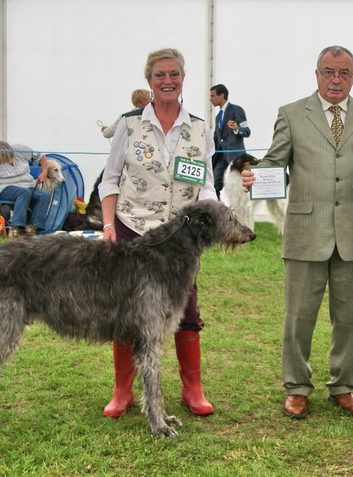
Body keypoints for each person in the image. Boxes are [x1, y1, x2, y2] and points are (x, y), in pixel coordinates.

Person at [242, 45, 353, 419]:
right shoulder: (292, 114)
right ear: (316, 74)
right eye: (329, 71)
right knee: (299, 317)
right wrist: (256, 175)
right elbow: (275, 161)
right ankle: (297, 387)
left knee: (349, 317)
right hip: (304, 230)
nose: (335, 79)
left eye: (343, 73)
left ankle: (344, 386)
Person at [98, 48, 217, 417]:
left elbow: (207, 186)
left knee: (186, 311)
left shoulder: (199, 128)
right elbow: (110, 179)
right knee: (126, 312)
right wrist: (107, 225)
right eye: (160, 75)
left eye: (174, 74)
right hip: (132, 230)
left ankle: (192, 389)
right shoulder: (129, 126)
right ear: (149, 81)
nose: (168, 80)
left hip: (181, 239)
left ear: (183, 78)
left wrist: (211, 218)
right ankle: (123, 391)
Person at [0, 141, 51, 238]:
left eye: (4, 159)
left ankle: (33, 228)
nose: (2, 162)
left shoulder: (20, 149)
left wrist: (44, 172)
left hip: (27, 184)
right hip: (4, 188)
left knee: (44, 196)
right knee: (24, 192)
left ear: (10, 153)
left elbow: (41, 157)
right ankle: (16, 227)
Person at [210, 84, 250, 198]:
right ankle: (215, 210)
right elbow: (216, 138)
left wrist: (236, 129)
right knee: (214, 184)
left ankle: (240, 212)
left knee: (238, 187)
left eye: (213, 96)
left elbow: (246, 131)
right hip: (220, 157)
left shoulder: (236, 110)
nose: (210, 99)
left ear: (222, 95)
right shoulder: (218, 117)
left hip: (235, 157)